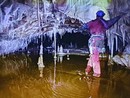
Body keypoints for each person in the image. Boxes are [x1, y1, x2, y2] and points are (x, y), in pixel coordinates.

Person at [81, 10, 124, 77]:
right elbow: (111, 22)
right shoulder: (104, 23)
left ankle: (87, 70)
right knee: (95, 57)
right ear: (103, 15)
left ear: (96, 15)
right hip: (97, 40)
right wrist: (120, 16)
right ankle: (96, 74)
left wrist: (89, 29)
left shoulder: (92, 22)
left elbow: (84, 26)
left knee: (93, 55)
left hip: (92, 40)